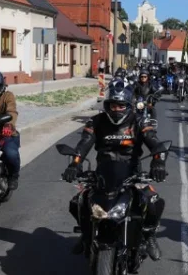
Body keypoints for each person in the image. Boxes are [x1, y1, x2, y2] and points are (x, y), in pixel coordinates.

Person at [62, 82, 168, 260]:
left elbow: (154, 142)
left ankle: (149, 236)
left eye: (121, 105)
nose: (117, 109)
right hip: (104, 173)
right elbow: (83, 145)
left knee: (153, 201)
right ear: (107, 105)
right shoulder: (96, 121)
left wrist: (158, 163)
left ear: (128, 106)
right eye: (113, 105)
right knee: (78, 202)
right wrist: (74, 164)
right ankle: (86, 235)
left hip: (132, 173)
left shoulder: (140, 121)